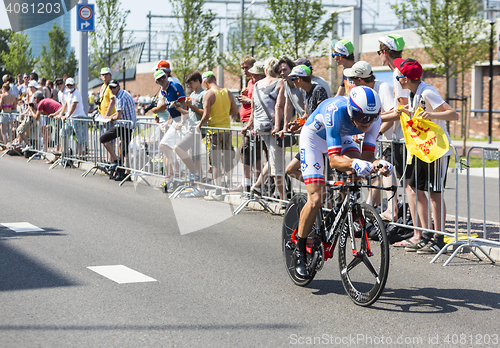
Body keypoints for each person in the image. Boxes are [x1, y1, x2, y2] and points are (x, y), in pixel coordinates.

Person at [293, 86, 394, 279]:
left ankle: (341, 209)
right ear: (350, 109)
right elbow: (333, 161)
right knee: (316, 198)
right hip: (314, 138)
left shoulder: (373, 118)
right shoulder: (336, 111)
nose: (366, 122)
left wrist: (378, 163)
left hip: (341, 136)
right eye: (360, 116)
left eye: (370, 117)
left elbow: (367, 156)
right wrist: (355, 163)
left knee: (359, 171)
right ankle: (300, 249)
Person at [392, 58, 458, 254]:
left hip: (437, 149)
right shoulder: (413, 94)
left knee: (435, 193)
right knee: (417, 189)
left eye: (399, 76)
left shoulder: (427, 91)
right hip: (423, 149)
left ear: (405, 78)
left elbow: (453, 114)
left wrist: (432, 114)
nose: (398, 79)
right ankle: (426, 234)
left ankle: (439, 238)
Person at [343, 60, 399, 221]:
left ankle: (391, 209)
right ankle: (370, 206)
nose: (351, 84)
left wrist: (376, 133)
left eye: (352, 80)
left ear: (360, 79)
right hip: (377, 136)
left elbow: (392, 114)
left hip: (388, 138)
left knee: (384, 170)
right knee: (372, 170)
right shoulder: (363, 91)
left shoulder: (383, 88)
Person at [242, 57, 286, 203]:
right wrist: (278, 127)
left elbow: (253, 108)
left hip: (260, 127)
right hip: (271, 127)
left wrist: (249, 126)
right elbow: (279, 106)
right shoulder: (280, 83)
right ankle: (283, 199)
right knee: (277, 166)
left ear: (266, 70)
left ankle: (258, 184)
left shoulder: (257, 84)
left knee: (273, 159)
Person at [196, 71, 238, 200]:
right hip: (225, 129)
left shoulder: (208, 94)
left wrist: (199, 125)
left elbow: (206, 115)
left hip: (213, 131)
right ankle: (229, 184)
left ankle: (218, 190)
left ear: (205, 82)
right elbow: (235, 111)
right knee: (227, 158)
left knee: (215, 162)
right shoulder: (227, 92)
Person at [284, 64, 329, 182]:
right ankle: (321, 188)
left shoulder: (318, 90)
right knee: (290, 169)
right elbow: (306, 115)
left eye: (293, 79)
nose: (291, 82)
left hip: (321, 140)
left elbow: (322, 115)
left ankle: (324, 193)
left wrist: (304, 128)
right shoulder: (305, 92)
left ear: (299, 79)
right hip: (311, 140)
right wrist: (298, 124)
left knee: (322, 174)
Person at [172, 70, 206, 196]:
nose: (189, 86)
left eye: (191, 83)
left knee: (178, 148)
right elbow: (191, 113)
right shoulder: (192, 95)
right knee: (195, 158)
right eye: (188, 85)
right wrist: (180, 109)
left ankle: (194, 173)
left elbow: (205, 113)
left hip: (198, 129)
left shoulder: (204, 94)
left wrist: (191, 107)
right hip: (191, 128)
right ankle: (200, 187)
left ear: (198, 81)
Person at [152, 69, 187, 183]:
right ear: (157, 82)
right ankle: (176, 170)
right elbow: (170, 107)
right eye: (159, 79)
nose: (162, 79)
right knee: (164, 145)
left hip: (183, 121)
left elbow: (183, 104)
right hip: (174, 121)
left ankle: (179, 173)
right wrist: (168, 121)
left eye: (163, 77)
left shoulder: (175, 86)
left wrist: (182, 121)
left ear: (166, 76)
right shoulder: (163, 91)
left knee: (179, 148)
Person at [99, 80, 137, 181]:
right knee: (123, 147)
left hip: (125, 125)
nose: (112, 89)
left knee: (106, 140)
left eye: (114, 87)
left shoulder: (120, 97)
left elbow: (119, 116)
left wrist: (110, 119)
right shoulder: (124, 94)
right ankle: (121, 165)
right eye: (110, 88)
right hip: (126, 124)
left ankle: (122, 167)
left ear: (118, 87)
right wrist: (109, 117)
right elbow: (119, 113)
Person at [52, 78, 87, 156]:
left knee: (79, 137)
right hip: (71, 118)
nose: (69, 86)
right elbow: (66, 105)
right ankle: (63, 152)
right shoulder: (68, 93)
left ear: (74, 85)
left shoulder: (76, 93)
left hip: (78, 117)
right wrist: (61, 114)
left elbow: (73, 105)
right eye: (68, 85)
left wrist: (67, 115)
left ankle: (80, 154)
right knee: (63, 132)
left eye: (71, 85)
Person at [28, 91, 62, 158]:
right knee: (59, 136)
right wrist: (35, 109)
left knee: (57, 137)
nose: (34, 100)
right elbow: (46, 113)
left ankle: (57, 157)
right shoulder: (46, 100)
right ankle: (57, 156)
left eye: (34, 98)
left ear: (37, 98)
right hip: (60, 113)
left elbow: (36, 118)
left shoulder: (41, 103)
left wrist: (31, 110)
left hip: (59, 116)